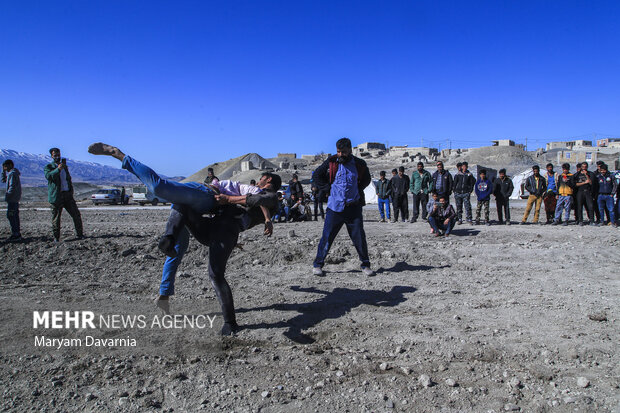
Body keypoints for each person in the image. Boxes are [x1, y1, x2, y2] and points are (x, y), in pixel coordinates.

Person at [88, 142, 280, 336]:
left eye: (262, 178)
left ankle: (224, 319)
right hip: (209, 210)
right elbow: (253, 201)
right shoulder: (248, 191)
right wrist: (260, 217)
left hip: (218, 224)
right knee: (168, 201)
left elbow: (260, 199)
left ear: (268, 180)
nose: (259, 179)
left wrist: (258, 217)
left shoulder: (266, 195)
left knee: (192, 256)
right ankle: (168, 243)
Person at [312, 138, 373, 277]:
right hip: (335, 208)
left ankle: (365, 265)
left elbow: (367, 179)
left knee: (359, 238)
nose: (340, 154)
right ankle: (318, 264)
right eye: (338, 151)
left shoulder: (359, 164)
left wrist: (357, 189)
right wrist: (327, 188)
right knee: (327, 237)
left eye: (343, 152)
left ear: (350, 150)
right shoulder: (332, 162)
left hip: (353, 207)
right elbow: (316, 175)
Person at [44, 148, 84, 241]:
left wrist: (70, 192)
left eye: (58, 155)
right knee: (56, 218)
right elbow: (49, 176)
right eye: (55, 155)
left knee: (76, 215)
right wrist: (58, 169)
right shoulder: (49, 167)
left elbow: (68, 180)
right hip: (57, 196)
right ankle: (56, 237)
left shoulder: (65, 167)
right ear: (51, 156)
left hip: (67, 195)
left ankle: (80, 234)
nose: (57, 157)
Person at [2, 160, 22, 240]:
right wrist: (3, 172)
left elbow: (12, 186)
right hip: (15, 199)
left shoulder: (12, 174)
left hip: (12, 199)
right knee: (15, 215)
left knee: (11, 215)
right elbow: (4, 180)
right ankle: (17, 233)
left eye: (6, 166)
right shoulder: (13, 173)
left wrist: (8, 195)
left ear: (10, 165)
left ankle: (15, 233)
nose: (5, 168)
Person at [574, 162, 596, 226]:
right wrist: (584, 183)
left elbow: (591, 183)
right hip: (580, 191)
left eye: (585, 167)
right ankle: (580, 220)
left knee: (590, 206)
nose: (584, 168)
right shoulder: (577, 175)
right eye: (583, 167)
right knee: (579, 207)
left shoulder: (590, 174)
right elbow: (575, 184)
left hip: (588, 192)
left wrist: (586, 175)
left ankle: (591, 220)